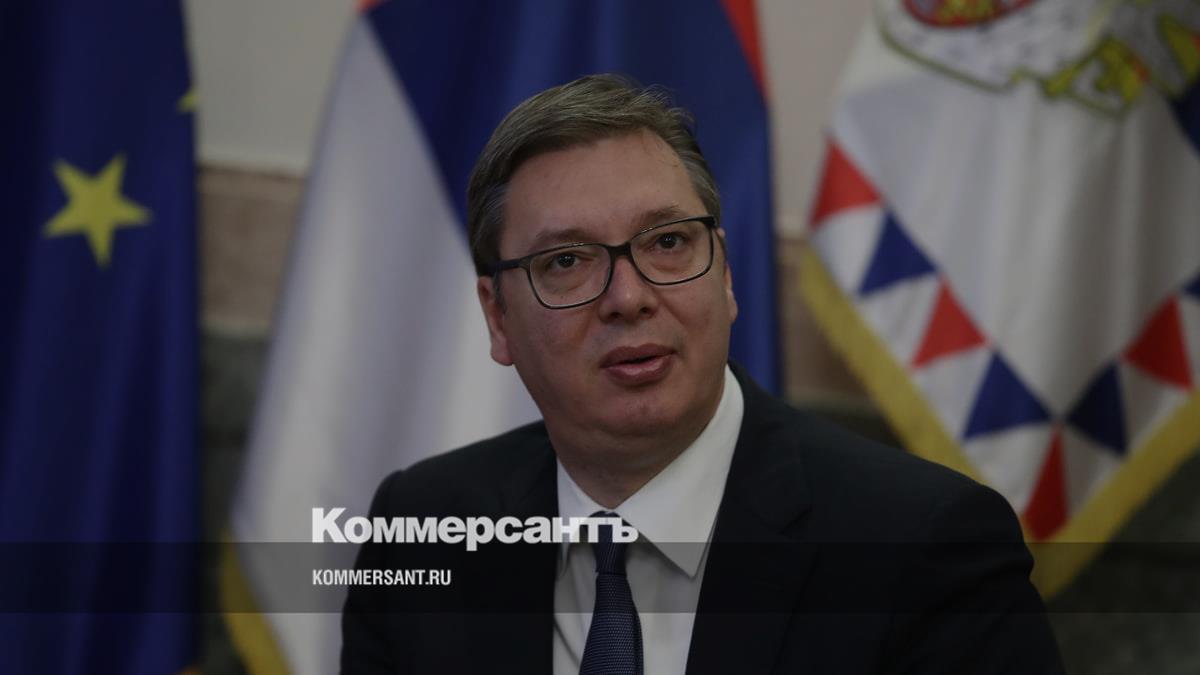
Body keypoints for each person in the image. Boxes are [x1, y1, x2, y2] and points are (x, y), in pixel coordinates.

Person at [341, 74, 1065, 674]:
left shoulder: (924, 546)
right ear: (498, 317)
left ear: (724, 276)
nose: (629, 297)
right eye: (566, 261)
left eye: (667, 242)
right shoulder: (421, 525)